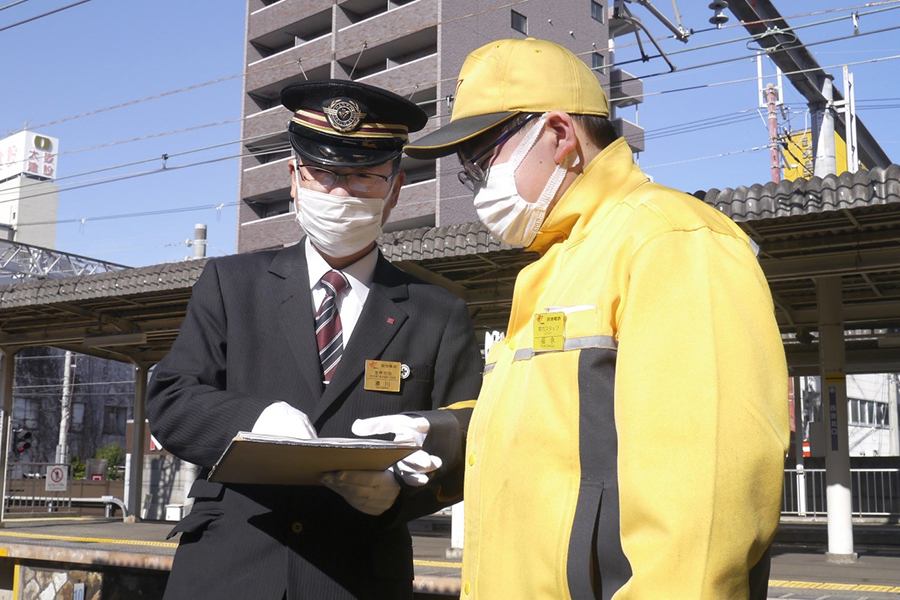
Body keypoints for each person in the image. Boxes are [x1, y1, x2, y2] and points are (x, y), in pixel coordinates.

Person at [404, 38, 789, 600]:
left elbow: (703, 508)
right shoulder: (558, 263)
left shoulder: (670, 239)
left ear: (559, 135)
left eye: (483, 159)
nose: (479, 184)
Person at [146, 79, 482, 600]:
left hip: (357, 576)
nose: (341, 192)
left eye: (365, 176)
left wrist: (396, 493)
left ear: (395, 189)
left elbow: (471, 430)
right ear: (293, 179)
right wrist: (253, 420)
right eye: (323, 174)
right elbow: (171, 398)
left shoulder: (438, 310)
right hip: (227, 572)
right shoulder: (231, 284)